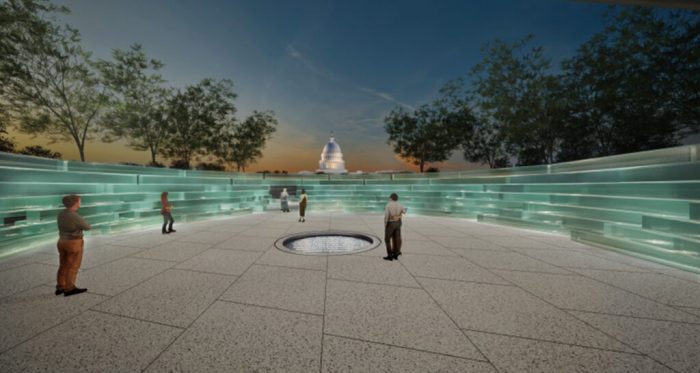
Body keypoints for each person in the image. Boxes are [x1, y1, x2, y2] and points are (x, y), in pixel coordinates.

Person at [55, 195, 91, 296]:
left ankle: (60, 286)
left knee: (63, 264)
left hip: (62, 241)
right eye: (79, 201)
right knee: (73, 265)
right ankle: (69, 288)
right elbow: (87, 227)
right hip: (73, 243)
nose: (80, 203)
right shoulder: (74, 215)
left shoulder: (61, 214)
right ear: (75, 203)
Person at [383, 193, 406, 261]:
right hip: (398, 223)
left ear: (391, 198)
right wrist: (399, 215)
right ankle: (396, 253)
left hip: (391, 223)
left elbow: (386, 216)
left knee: (387, 239)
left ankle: (390, 255)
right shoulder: (400, 204)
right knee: (397, 238)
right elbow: (404, 212)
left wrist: (385, 224)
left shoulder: (388, 205)